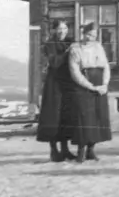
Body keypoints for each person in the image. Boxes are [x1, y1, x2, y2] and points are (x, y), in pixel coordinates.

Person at [63, 22, 114, 162]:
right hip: (84, 86)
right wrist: (90, 86)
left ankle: (91, 150)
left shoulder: (98, 47)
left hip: (99, 83)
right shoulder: (75, 49)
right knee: (83, 118)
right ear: (83, 33)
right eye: (89, 34)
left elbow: (106, 66)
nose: (91, 37)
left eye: (94, 35)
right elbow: (75, 73)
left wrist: (104, 84)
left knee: (97, 117)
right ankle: (81, 151)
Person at [34, 20, 74, 162]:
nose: (62, 31)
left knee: (65, 116)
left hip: (67, 83)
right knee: (53, 116)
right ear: (54, 30)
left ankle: (65, 150)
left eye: (64, 28)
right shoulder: (50, 44)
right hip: (54, 84)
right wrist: (66, 53)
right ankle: (53, 151)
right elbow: (55, 62)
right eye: (59, 28)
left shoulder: (70, 42)